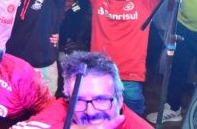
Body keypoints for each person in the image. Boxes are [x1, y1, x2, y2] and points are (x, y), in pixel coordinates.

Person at [13, 52, 151, 128]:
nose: (90, 111)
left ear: (119, 99)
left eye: (101, 99)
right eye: (79, 101)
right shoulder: (65, 107)